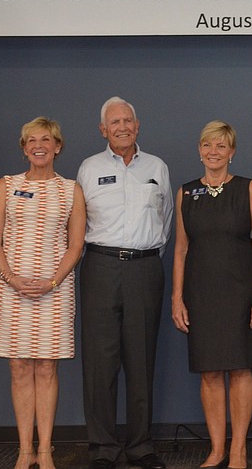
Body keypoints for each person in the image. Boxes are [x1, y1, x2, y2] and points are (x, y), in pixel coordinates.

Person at [77, 97, 174, 469]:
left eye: (128, 120)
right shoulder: (88, 168)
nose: (122, 126)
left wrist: (144, 258)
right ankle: (102, 448)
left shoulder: (157, 167)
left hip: (145, 268)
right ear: (103, 130)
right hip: (100, 267)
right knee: (100, 364)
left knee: (141, 358)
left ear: (138, 125)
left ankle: (140, 446)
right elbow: (79, 223)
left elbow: (164, 224)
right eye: (114, 122)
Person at [0, 117, 86, 469]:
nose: (38, 145)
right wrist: (11, 277)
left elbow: (76, 245)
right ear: (24, 147)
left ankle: (45, 450)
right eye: (31, 140)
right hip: (11, 288)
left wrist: (53, 281)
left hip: (55, 290)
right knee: (18, 367)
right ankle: (24, 449)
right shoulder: (6, 185)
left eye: (46, 139)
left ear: (58, 146)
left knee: (46, 368)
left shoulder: (71, 189)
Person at [171, 120, 252, 469]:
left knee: (241, 370)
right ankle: (216, 449)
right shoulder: (185, 192)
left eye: (221, 146)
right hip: (201, 294)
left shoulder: (248, 189)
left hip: (242, 292)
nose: (214, 152)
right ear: (199, 151)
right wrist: (177, 297)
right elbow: (180, 250)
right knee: (210, 372)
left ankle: (239, 450)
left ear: (232, 152)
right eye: (207, 146)